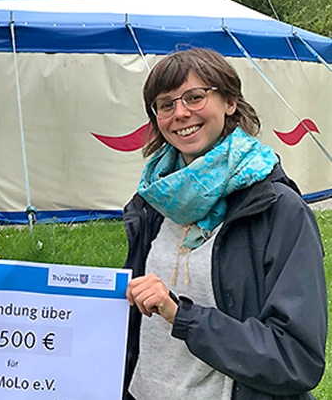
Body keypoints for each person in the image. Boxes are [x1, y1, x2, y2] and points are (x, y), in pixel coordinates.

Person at [123, 48, 326, 400]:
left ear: (230, 102)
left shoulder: (278, 210)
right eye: (165, 104)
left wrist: (181, 315)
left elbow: (296, 357)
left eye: (195, 97)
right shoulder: (154, 202)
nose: (180, 113)